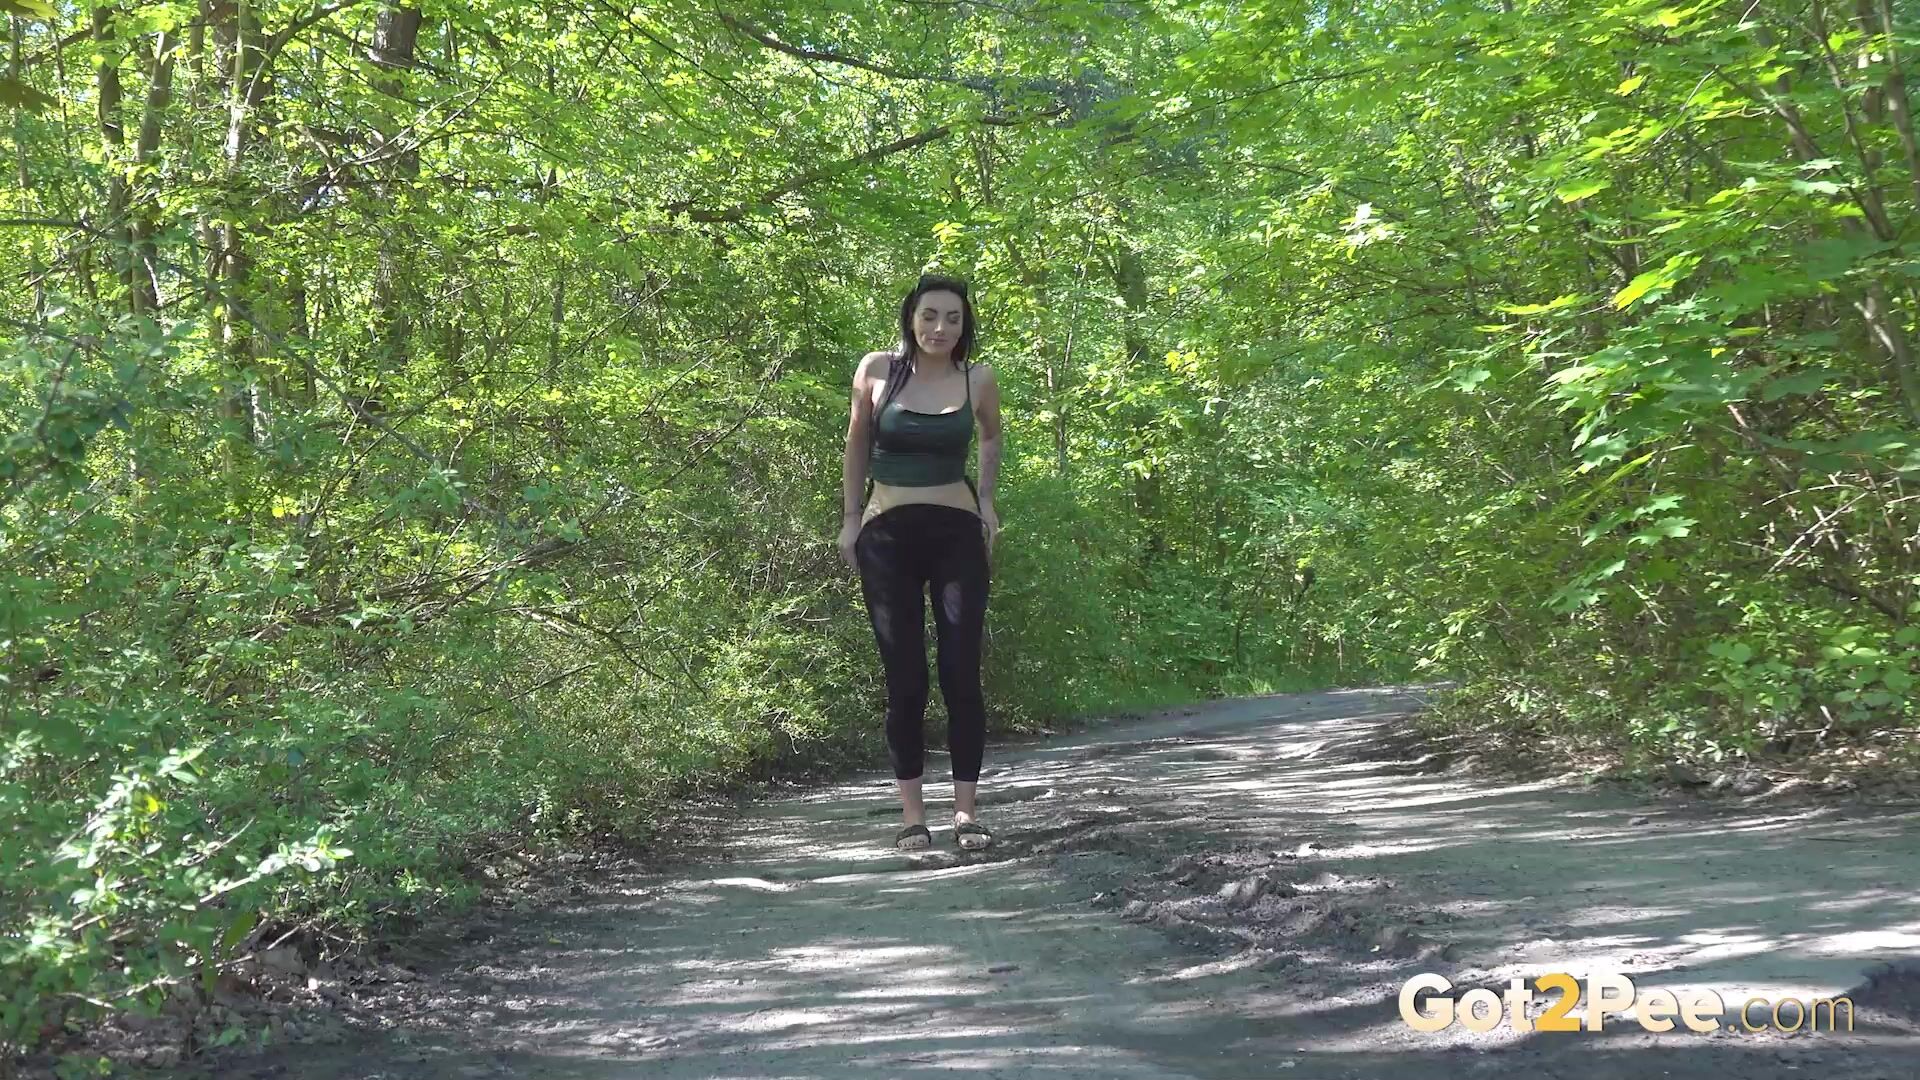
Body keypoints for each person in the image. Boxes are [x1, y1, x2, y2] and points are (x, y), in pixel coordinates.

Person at [837, 273, 1003, 852]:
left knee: (961, 671)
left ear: (965, 325)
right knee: (905, 679)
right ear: (911, 317)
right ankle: (913, 817)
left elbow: (990, 437)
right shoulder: (877, 370)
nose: (940, 327)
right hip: (887, 535)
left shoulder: (978, 378)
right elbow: (857, 443)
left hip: (957, 534)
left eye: (953, 318)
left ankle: (965, 813)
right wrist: (851, 519)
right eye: (930, 315)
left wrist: (987, 503)